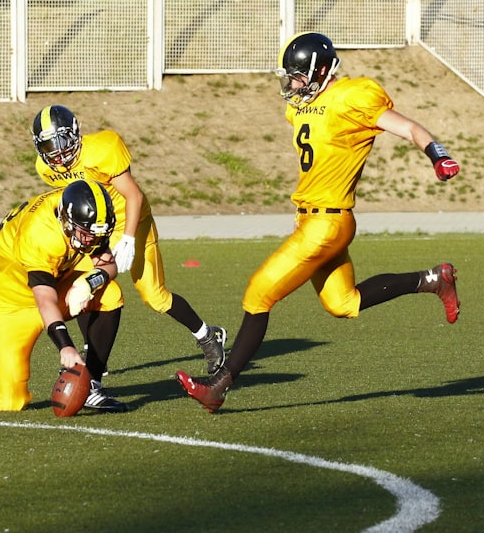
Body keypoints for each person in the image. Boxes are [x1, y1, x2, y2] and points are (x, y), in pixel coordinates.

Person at [176, 32, 461, 413]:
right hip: (310, 220)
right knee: (344, 303)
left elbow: (410, 128)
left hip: (327, 223)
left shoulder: (353, 97)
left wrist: (437, 156)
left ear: (322, 70)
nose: (292, 84)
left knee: (259, 293)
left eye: (297, 76)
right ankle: (433, 279)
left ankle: (219, 384)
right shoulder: (302, 107)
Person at [30, 104, 227, 379]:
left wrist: (128, 239)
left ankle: (207, 336)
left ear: (75, 135)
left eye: (62, 142)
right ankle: (94, 352)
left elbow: (134, 196)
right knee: (83, 286)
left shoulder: (103, 149)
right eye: (50, 146)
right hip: (93, 231)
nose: (58, 152)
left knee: (155, 296)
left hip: (129, 222)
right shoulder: (47, 169)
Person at [0, 179, 127, 412]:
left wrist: (89, 282)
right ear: (67, 220)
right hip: (6, 303)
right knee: (9, 402)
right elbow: (44, 301)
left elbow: (109, 266)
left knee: (110, 293)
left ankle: (91, 385)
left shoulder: (82, 214)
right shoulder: (40, 233)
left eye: (97, 234)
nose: (92, 241)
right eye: (86, 234)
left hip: (51, 284)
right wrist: (65, 346)